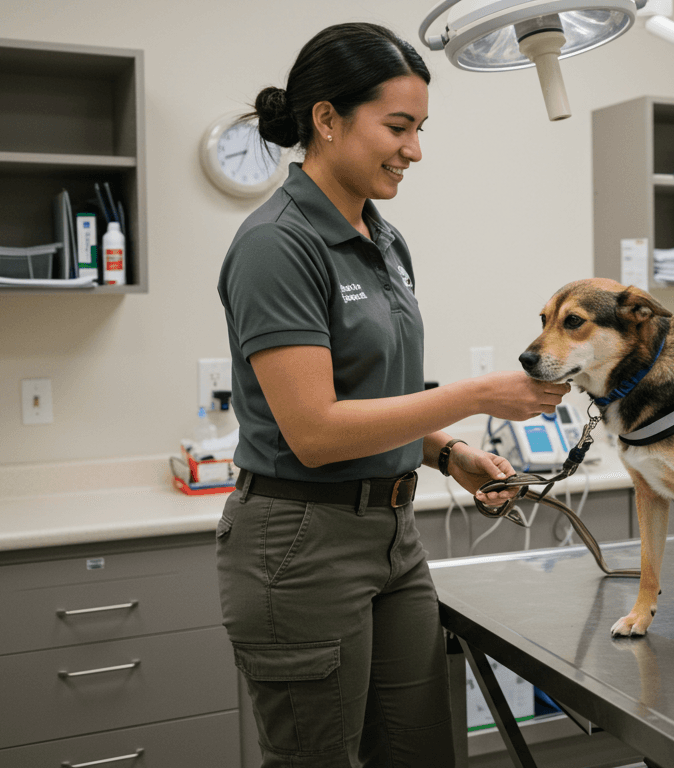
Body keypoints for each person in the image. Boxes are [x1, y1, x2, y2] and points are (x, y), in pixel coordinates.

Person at [214, 22, 570, 767]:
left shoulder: (384, 237)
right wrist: (476, 394)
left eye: (420, 129)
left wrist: (447, 452)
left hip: (392, 535)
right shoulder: (276, 245)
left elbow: (379, 390)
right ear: (327, 119)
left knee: (421, 752)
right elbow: (315, 430)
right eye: (398, 127)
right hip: (301, 544)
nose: (414, 150)